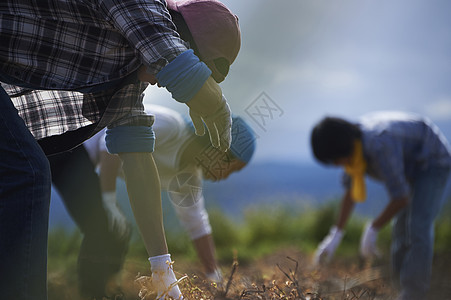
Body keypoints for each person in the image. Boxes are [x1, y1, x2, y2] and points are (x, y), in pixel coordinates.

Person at [0, 0, 240, 299]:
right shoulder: (143, 5)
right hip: (75, 158)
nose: (164, 87)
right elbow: (174, 61)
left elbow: (137, 158)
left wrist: (162, 269)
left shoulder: (129, 81)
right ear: (177, 35)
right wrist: (217, 106)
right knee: (27, 171)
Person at [84, 104, 256, 283]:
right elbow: (107, 141)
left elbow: (197, 223)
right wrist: (108, 201)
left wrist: (214, 274)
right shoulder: (170, 126)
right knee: (107, 227)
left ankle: (105, 287)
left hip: (92, 168)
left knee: (117, 231)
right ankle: (92, 289)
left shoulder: (189, 177)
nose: (226, 176)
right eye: (232, 169)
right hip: (79, 145)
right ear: (220, 149)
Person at [310, 111, 451, 300]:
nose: (336, 165)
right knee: (400, 228)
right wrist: (335, 235)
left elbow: (400, 197)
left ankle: (413, 294)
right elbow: (351, 193)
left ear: (341, 149)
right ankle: (398, 286)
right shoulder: (354, 152)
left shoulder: (379, 145)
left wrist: (373, 228)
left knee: (418, 225)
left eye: (334, 160)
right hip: (410, 168)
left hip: (432, 160)